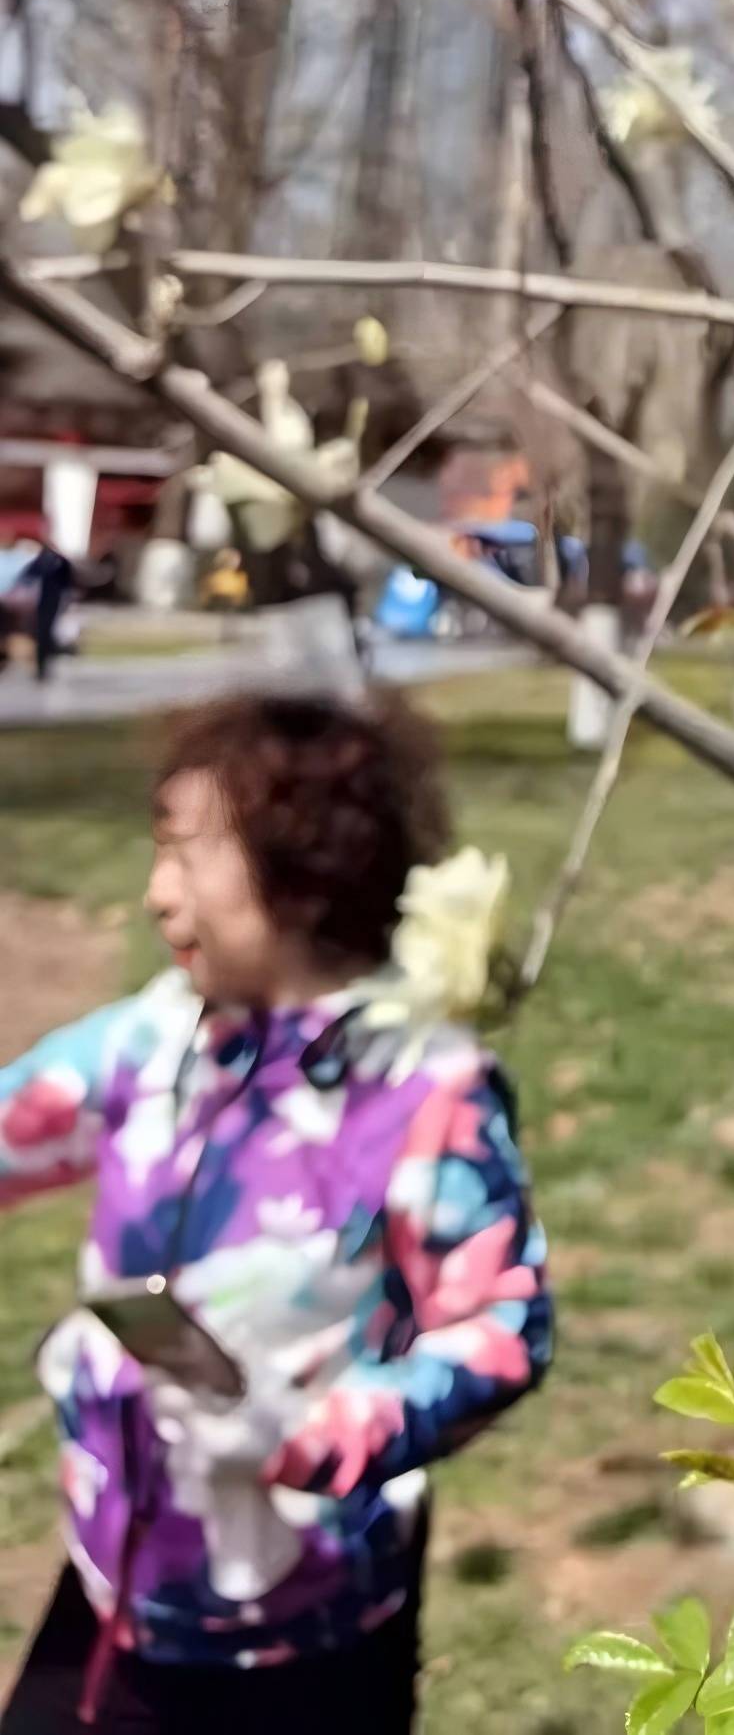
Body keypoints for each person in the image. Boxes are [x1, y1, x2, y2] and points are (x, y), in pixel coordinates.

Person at [0, 693, 552, 1731]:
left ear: (304, 873)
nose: (159, 895)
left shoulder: (422, 1088)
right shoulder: (156, 1039)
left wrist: (314, 1431)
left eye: (187, 855)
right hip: (124, 1587)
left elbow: (504, 1330)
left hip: (311, 1625)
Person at [26, 533, 74, 684]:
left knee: (44, 634)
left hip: (48, 602)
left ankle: (44, 667)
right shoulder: (56, 561)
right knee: (44, 634)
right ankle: (43, 667)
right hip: (49, 601)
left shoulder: (43, 561)